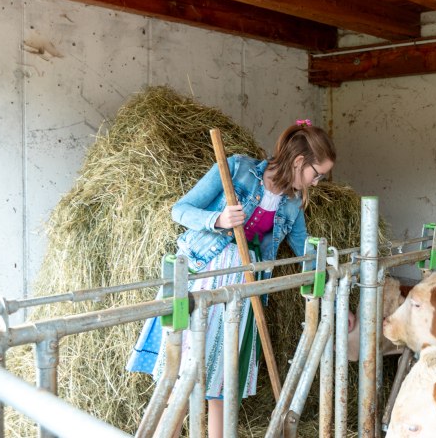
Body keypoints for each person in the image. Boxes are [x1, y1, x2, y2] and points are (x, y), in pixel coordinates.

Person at [127, 119, 337, 438]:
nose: (318, 182)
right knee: (185, 377)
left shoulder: (292, 204)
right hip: (205, 278)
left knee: (222, 387)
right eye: (317, 173)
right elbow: (180, 210)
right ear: (299, 161)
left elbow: (305, 252)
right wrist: (218, 219)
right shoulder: (237, 169)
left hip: (243, 293)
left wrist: (332, 275)